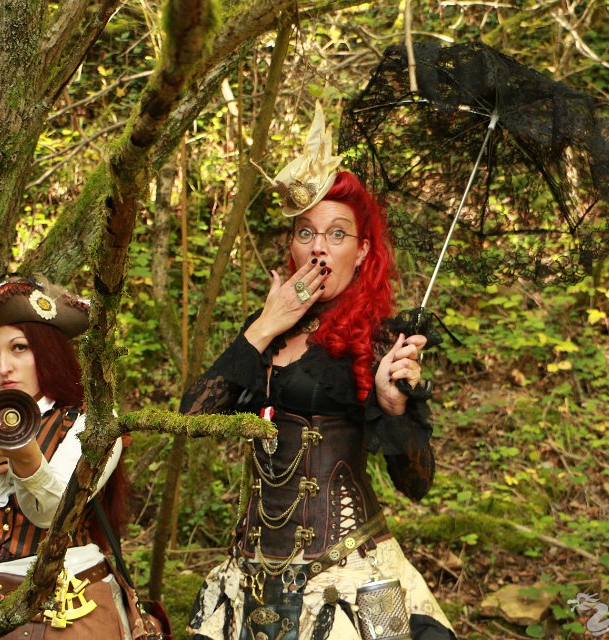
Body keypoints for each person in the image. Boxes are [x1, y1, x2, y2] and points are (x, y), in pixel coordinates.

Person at [182, 107, 456, 640]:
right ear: (292, 245)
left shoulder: (382, 341)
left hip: (347, 574)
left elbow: (418, 484)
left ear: (363, 250)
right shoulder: (264, 329)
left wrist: (394, 404)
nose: (319, 247)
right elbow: (191, 418)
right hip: (250, 575)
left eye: (337, 234)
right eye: (306, 232)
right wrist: (266, 325)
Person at [0, 275, 163, 639]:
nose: (3, 367)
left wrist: (24, 455)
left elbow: (51, 513)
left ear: (47, 351)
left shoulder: (90, 423)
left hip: (69, 609)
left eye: (19, 348)